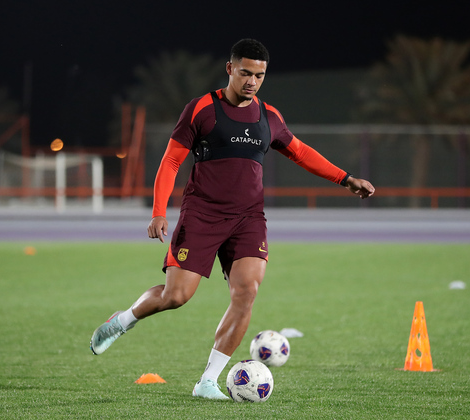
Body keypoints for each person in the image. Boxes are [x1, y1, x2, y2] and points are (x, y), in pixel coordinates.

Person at [89, 38, 375, 400]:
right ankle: (123, 320)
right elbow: (172, 161)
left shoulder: (269, 117)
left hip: (248, 218)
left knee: (246, 292)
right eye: (245, 73)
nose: (252, 81)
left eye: (259, 75)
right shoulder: (202, 110)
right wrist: (159, 212)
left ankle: (207, 381)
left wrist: (345, 179)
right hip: (203, 214)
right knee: (177, 296)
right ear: (230, 69)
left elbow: (300, 152)